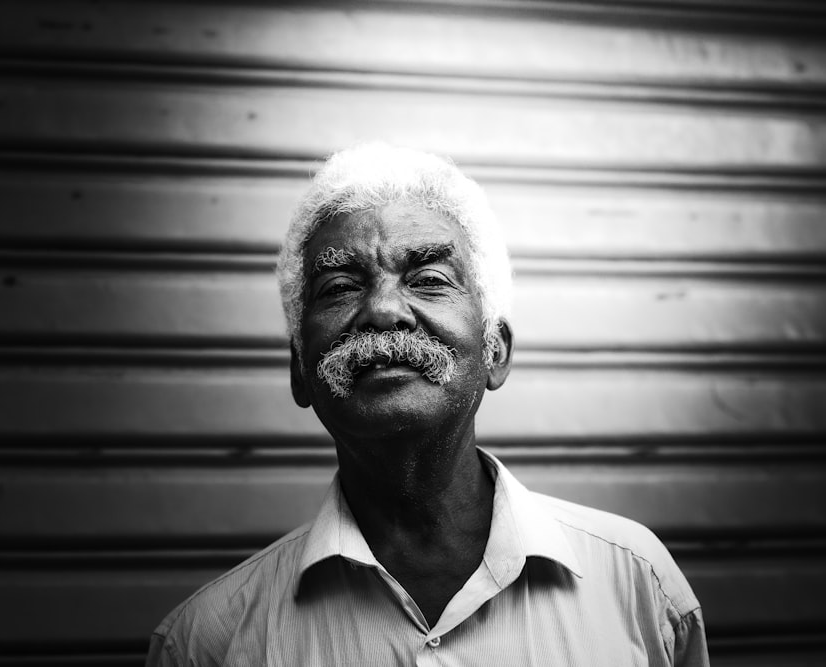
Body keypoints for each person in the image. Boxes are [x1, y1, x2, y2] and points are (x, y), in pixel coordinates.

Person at [146, 143, 710, 666]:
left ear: (495, 350)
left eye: (430, 279)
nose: (384, 311)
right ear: (300, 369)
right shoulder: (207, 645)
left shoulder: (639, 585)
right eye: (340, 287)